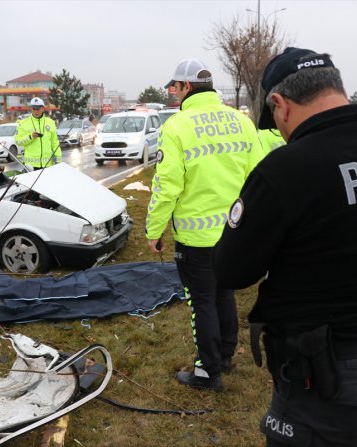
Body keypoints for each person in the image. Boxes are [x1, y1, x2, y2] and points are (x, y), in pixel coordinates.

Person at [213, 47, 357, 446]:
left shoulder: (286, 170)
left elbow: (231, 271)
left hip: (335, 379)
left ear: (279, 103)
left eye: (274, 118)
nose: (279, 128)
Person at [145, 58, 264, 391]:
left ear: (186, 88)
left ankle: (208, 371)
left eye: (174, 86)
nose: (173, 93)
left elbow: (167, 187)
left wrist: (154, 231)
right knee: (224, 292)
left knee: (202, 302)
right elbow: (257, 177)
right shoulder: (240, 121)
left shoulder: (177, 126)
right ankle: (225, 354)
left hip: (196, 237)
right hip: (232, 231)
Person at [15, 97, 61, 169]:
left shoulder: (50, 123)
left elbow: (55, 142)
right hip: (31, 165)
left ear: (43, 109)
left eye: (38, 109)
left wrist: (58, 159)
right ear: (31, 109)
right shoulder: (23, 123)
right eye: (34, 109)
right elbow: (18, 141)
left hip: (47, 165)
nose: (36, 111)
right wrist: (30, 137)